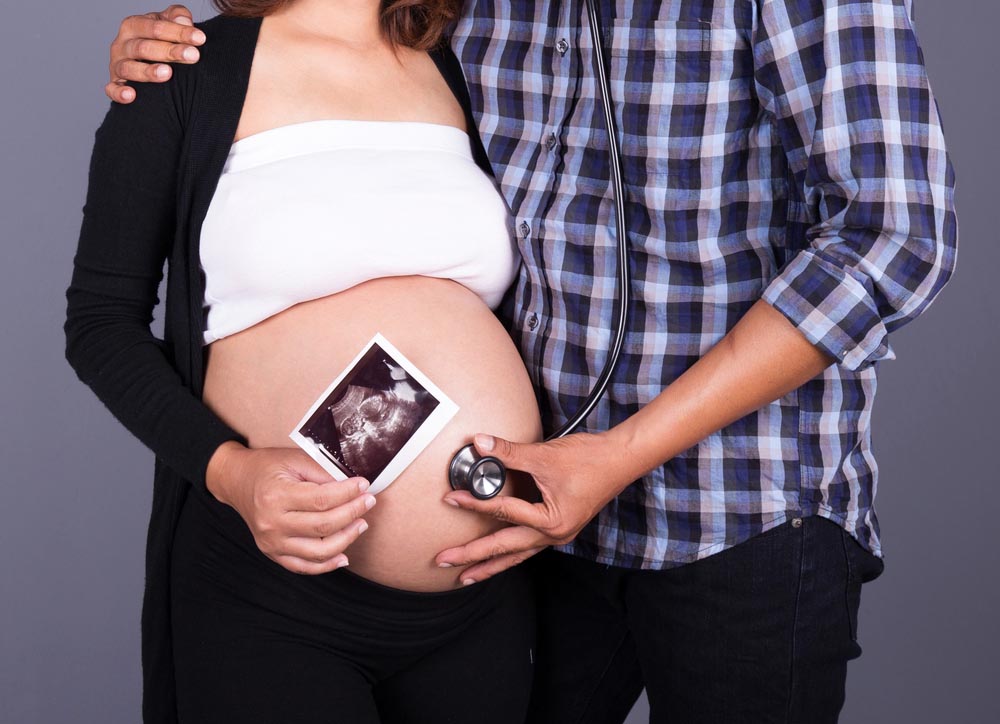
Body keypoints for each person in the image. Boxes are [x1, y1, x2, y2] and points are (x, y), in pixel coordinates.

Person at [105, 1, 958, 722]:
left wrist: (616, 458)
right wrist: (177, 55)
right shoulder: (464, 19)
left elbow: (893, 240)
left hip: (739, 512)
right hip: (531, 541)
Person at [67, 1, 544, 723]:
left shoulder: (471, 59)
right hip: (273, 599)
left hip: (477, 604)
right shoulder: (187, 65)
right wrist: (230, 472)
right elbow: (100, 322)